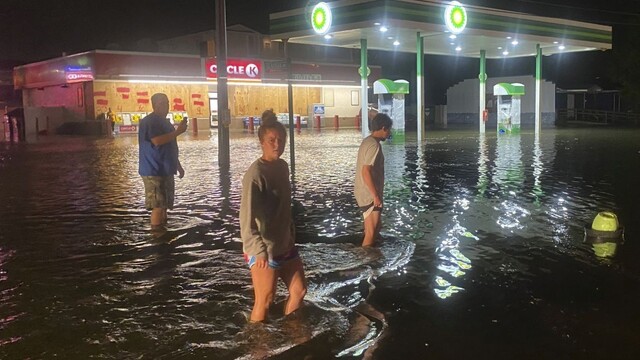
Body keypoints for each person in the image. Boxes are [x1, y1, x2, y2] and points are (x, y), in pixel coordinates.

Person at [240, 109, 307, 322]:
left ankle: (292, 333)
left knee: (299, 290)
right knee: (265, 300)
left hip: (284, 244)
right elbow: (246, 218)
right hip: (264, 250)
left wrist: (291, 232)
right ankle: (258, 346)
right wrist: (259, 251)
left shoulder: (283, 166)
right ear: (261, 142)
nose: (277, 144)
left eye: (281, 139)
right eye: (271, 140)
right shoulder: (255, 175)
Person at [138, 93, 187, 232]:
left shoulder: (166, 123)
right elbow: (157, 140)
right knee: (158, 206)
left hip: (166, 169)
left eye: (166, 103)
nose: (165, 106)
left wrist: (178, 166)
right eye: (161, 103)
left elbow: (170, 145)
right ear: (154, 105)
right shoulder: (150, 121)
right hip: (153, 170)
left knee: (164, 204)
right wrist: (178, 132)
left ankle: (163, 231)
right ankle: (157, 236)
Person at [354, 112, 393, 247]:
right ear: (383, 128)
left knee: (376, 228)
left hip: (363, 192)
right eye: (389, 130)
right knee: (371, 232)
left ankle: (374, 256)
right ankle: (364, 262)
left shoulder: (367, 141)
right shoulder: (374, 146)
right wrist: (375, 196)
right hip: (368, 195)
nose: (389, 133)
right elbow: (366, 171)